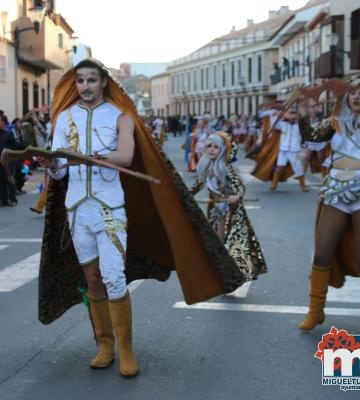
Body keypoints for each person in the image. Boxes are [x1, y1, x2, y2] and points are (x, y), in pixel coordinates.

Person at [37, 58, 246, 378]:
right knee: (92, 279)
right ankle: (105, 346)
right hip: (78, 209)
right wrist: (50, 165)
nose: (85, 86)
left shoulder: (121, 117)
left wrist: (94, 157)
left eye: (91, 80)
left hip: (110, 208)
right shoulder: (64, 118)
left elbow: (125, 156)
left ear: (103, 82)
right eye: (80, 81)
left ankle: (125, 350)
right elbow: (61, 168)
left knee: (113, 277)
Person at [297, 77, 360, 335]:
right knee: (322, 252)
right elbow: (310, 135)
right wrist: (304, 113)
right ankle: (315, 310)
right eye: (352, 93)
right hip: (336, 190)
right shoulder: (334, 122)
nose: (356, 97)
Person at [190, 132, 267, 282]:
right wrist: (186, 195)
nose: (211, 150)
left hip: (231, 212)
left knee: (231, 244)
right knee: (217, 242)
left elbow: (240, 187)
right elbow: (196, 186)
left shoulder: (225, 168)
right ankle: (223, 275)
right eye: (209, 146)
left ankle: (233, 274)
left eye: (215, 147)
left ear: (222, 151)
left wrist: (236, 196)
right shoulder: (205, 167)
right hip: (216, 210)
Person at [0, 114, 18, 207]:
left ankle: (13, 199)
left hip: (8, 162)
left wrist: (12, 157)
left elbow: (15, 147)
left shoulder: (9, 134)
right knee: (1, 181)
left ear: (3, 122)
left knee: (10, 180)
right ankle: (3, 200)